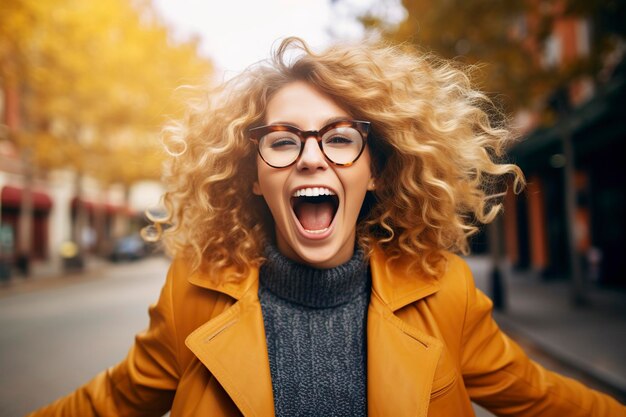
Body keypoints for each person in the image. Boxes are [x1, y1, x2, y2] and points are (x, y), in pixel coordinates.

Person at [28, 37, 625, 417]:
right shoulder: (194, 294)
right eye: (283, 141)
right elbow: (109, 402)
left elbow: (547, 399)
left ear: (377, 172)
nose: (311, 158)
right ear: (254, 178)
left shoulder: (444, 292)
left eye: (341, 138)